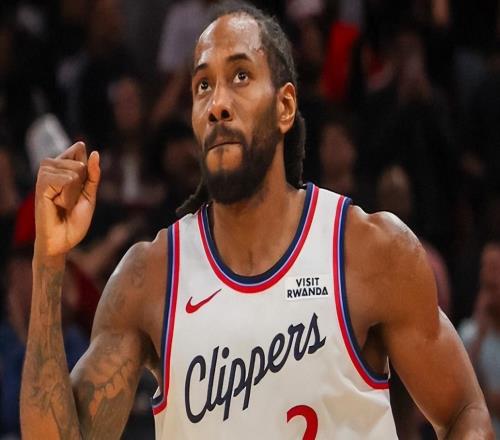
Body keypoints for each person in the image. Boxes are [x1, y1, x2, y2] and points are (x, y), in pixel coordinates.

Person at [20, 2, 492, 438]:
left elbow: (464, 411)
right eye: (203, 86)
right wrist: (48, 261)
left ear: (284, 106)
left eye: (240, 76)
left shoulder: (369, 250)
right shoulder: (150, 279)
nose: (217, 103)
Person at [459, 242, 500, 437]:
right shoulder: (468, 334)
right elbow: (459, 395)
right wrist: (480, 335)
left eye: (496, 267)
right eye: (486, 267)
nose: (490, 274)